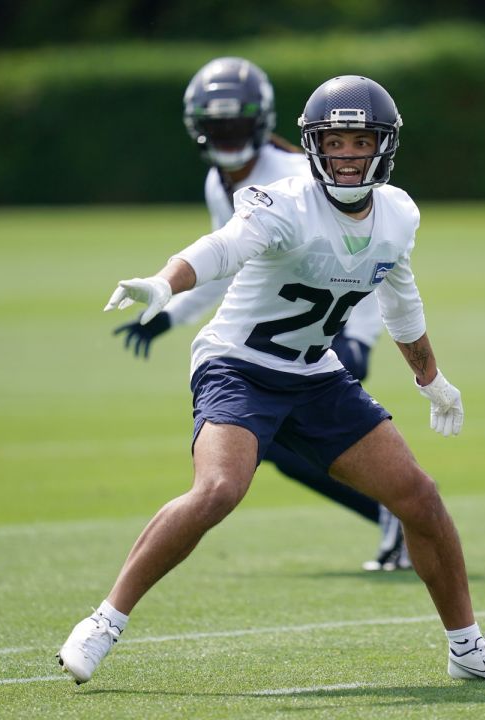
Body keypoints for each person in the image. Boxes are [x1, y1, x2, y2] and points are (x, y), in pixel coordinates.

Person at [57, 75, 485, 684]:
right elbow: (221, 249)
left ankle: (468, 651)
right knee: (219, 490)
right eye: (333, 142)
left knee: (419, 497)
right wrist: (163, 282)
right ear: (313, 146)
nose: (345, 155)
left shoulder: (397, 213)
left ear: (383, 147)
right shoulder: (283, 202)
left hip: (315, 373)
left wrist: (432, 381)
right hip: (239, 367)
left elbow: (401, 301)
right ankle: (104, 621)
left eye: (359, 141)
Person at [114, 57, 410, 571]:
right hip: (277, 333)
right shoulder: (218, 182)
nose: (227, 137)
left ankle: (395, 513)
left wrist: (358, 336)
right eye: (216, 126)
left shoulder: (300, 174)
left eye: (236, 124)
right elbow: (233, 267)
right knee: (273, 449)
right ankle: (394, 514)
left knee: (279, 447)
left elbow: (362, 252)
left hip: (330, 330)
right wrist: (170, 313)